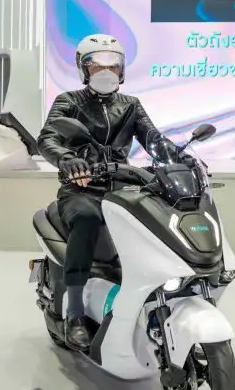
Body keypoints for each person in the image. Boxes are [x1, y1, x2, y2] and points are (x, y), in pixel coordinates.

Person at [37, 34, 177, 350]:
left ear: (121, 69)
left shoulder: (131, 105)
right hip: (81, 188)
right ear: (83, 69)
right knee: (87, 218)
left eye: (112, 65)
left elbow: (153, 139)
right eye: (97, 65)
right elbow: (48, 138)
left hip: (123, 187)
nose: (105, 71)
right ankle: (75, 313)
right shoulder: (69, 101)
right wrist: (67, 159)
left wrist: (180, 158)